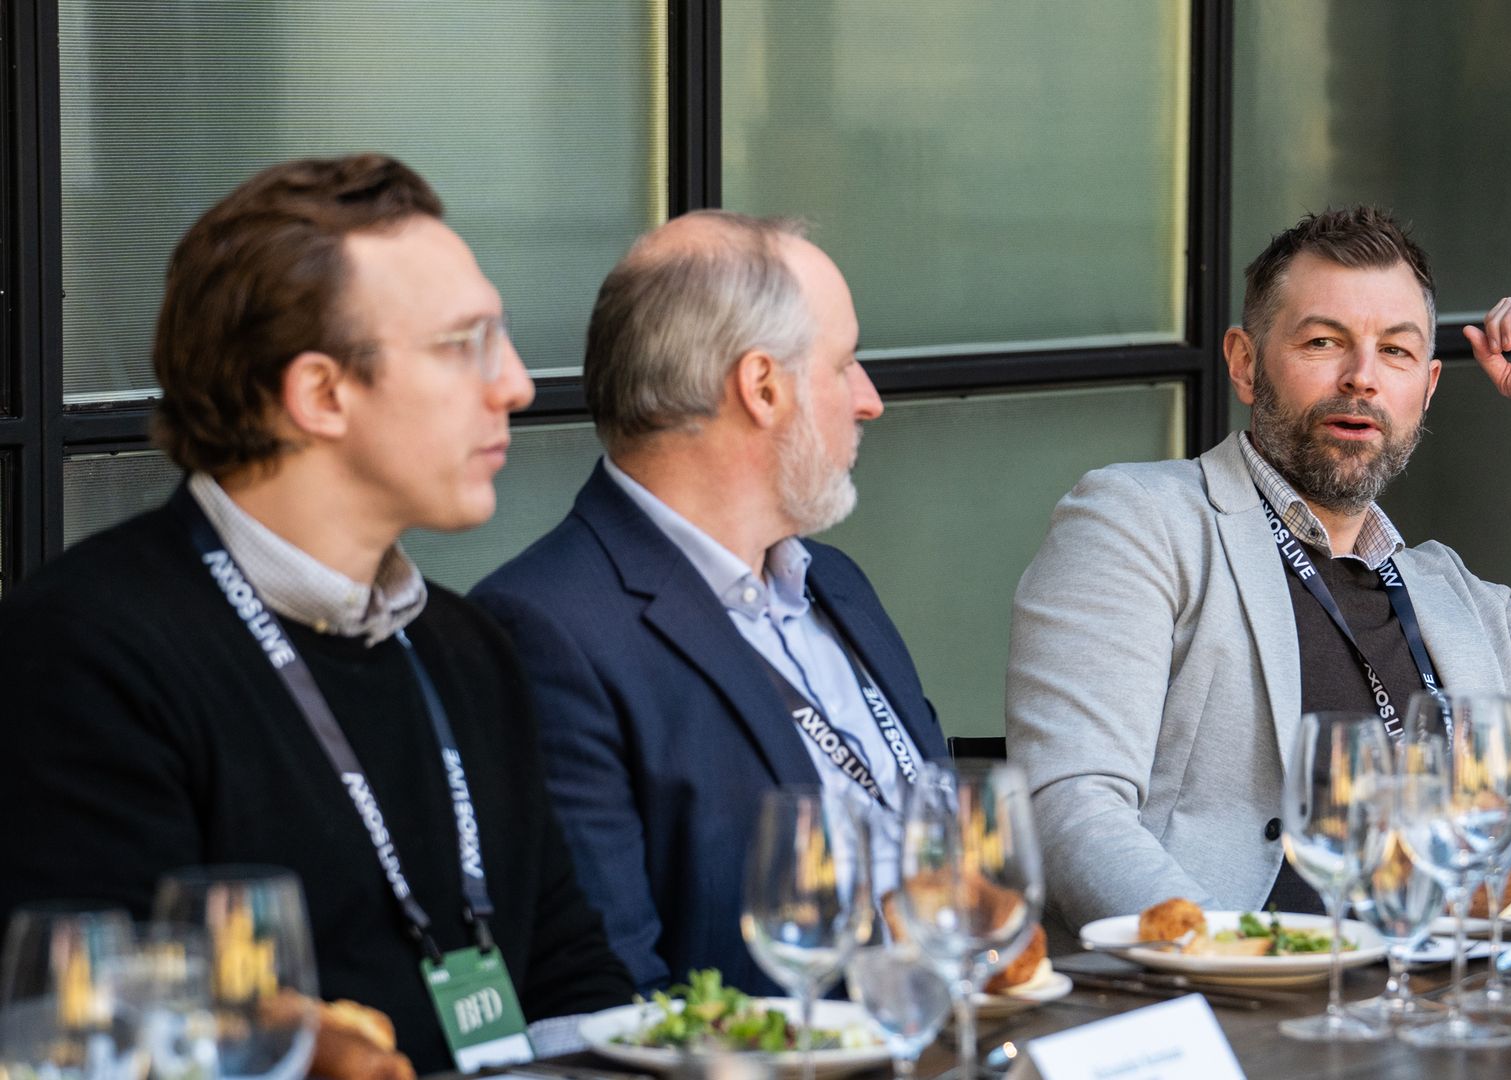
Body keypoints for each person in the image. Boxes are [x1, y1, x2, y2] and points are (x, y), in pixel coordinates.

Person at [0, 155, 633, 1072]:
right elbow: (94, 1037)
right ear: (321, 394)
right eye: (465, 345)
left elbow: (573, 979)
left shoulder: (467, 648)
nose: (516, 386)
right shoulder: (84, 654)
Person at [1005, 206, 1511, 932]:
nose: (1362, 378)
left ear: (1425, 390)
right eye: (1323, 342)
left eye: (1395, 351)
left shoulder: (1447, 596)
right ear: (1243, 363)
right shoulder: (1139, 521)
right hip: (1241, 1008)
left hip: (1451, 996)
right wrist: (1218, 961)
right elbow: (1070, 806)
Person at [470, 211, 944, 994]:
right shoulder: (546, 630)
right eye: (844, 364)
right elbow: (609, 992)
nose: (869, 400)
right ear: (762, 387)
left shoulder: (837, 584)